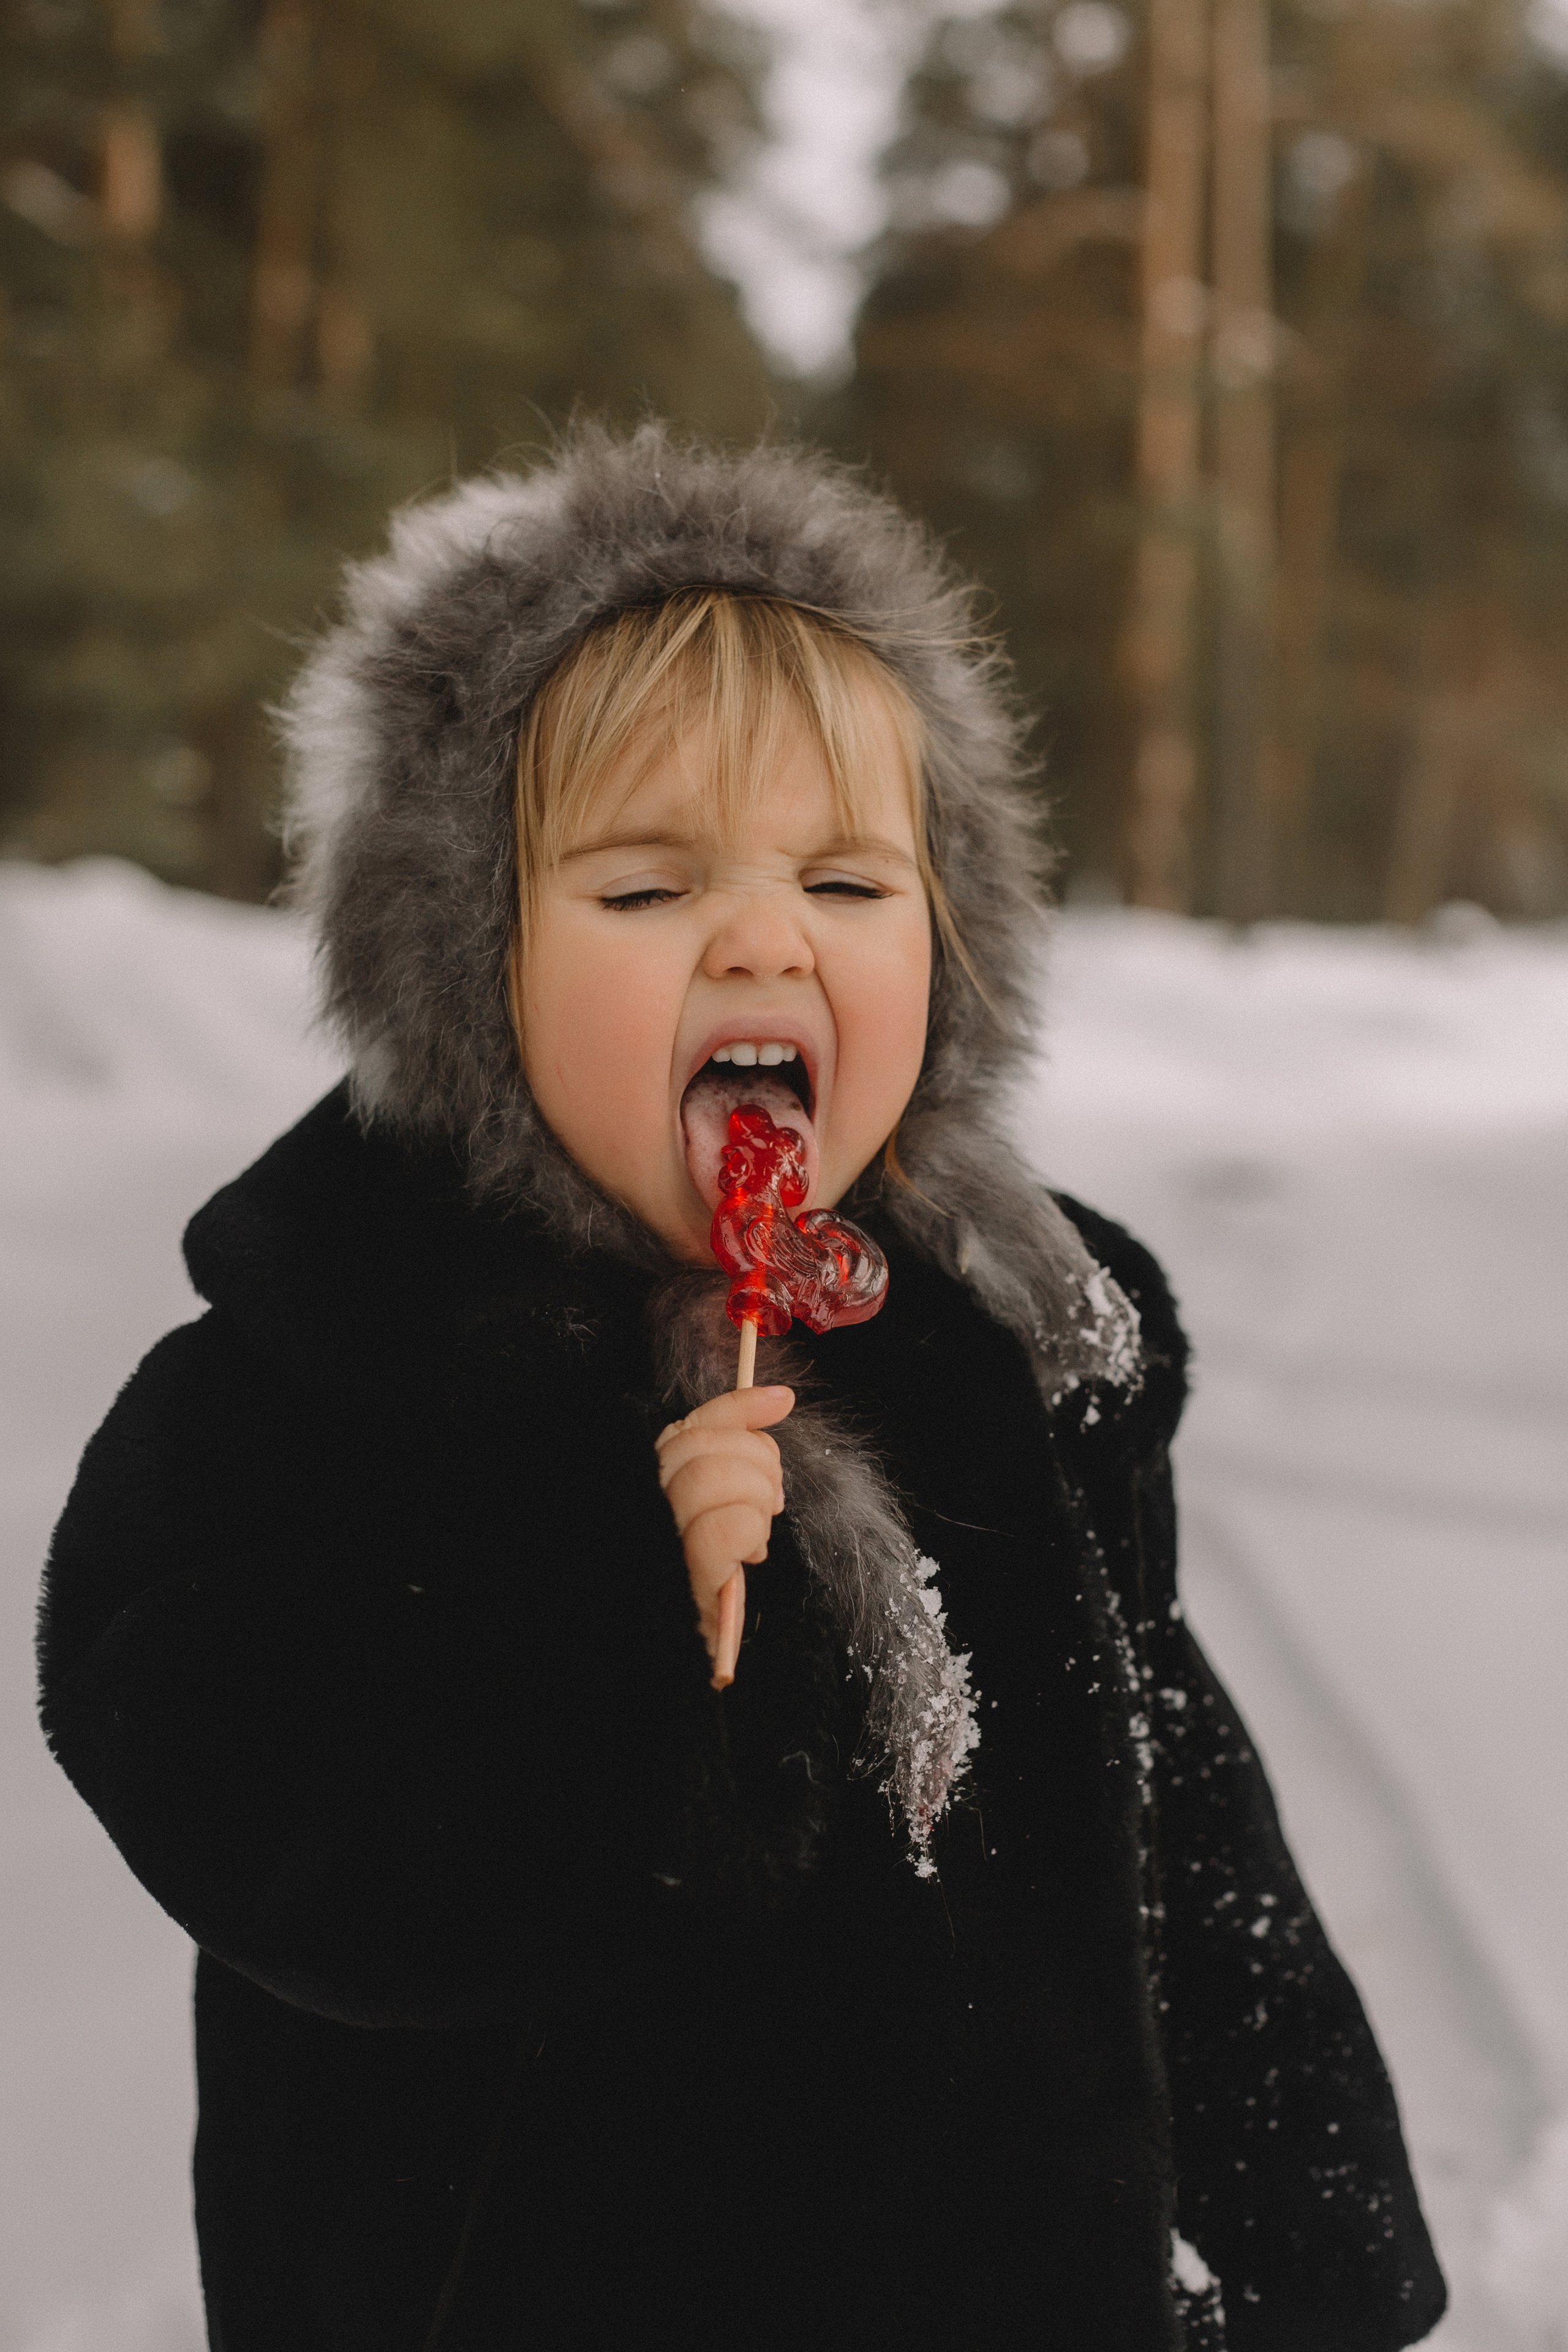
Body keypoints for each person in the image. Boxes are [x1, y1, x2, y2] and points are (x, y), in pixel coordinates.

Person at [37, 424, 1445, 2351]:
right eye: (645, 893)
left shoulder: (985, 1338)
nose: (767, 936)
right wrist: (633, 1633)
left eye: (851, 883)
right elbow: (283, 1844)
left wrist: (1305, 2248)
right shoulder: (318, 1384)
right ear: (464, 967)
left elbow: (1160, 1822)